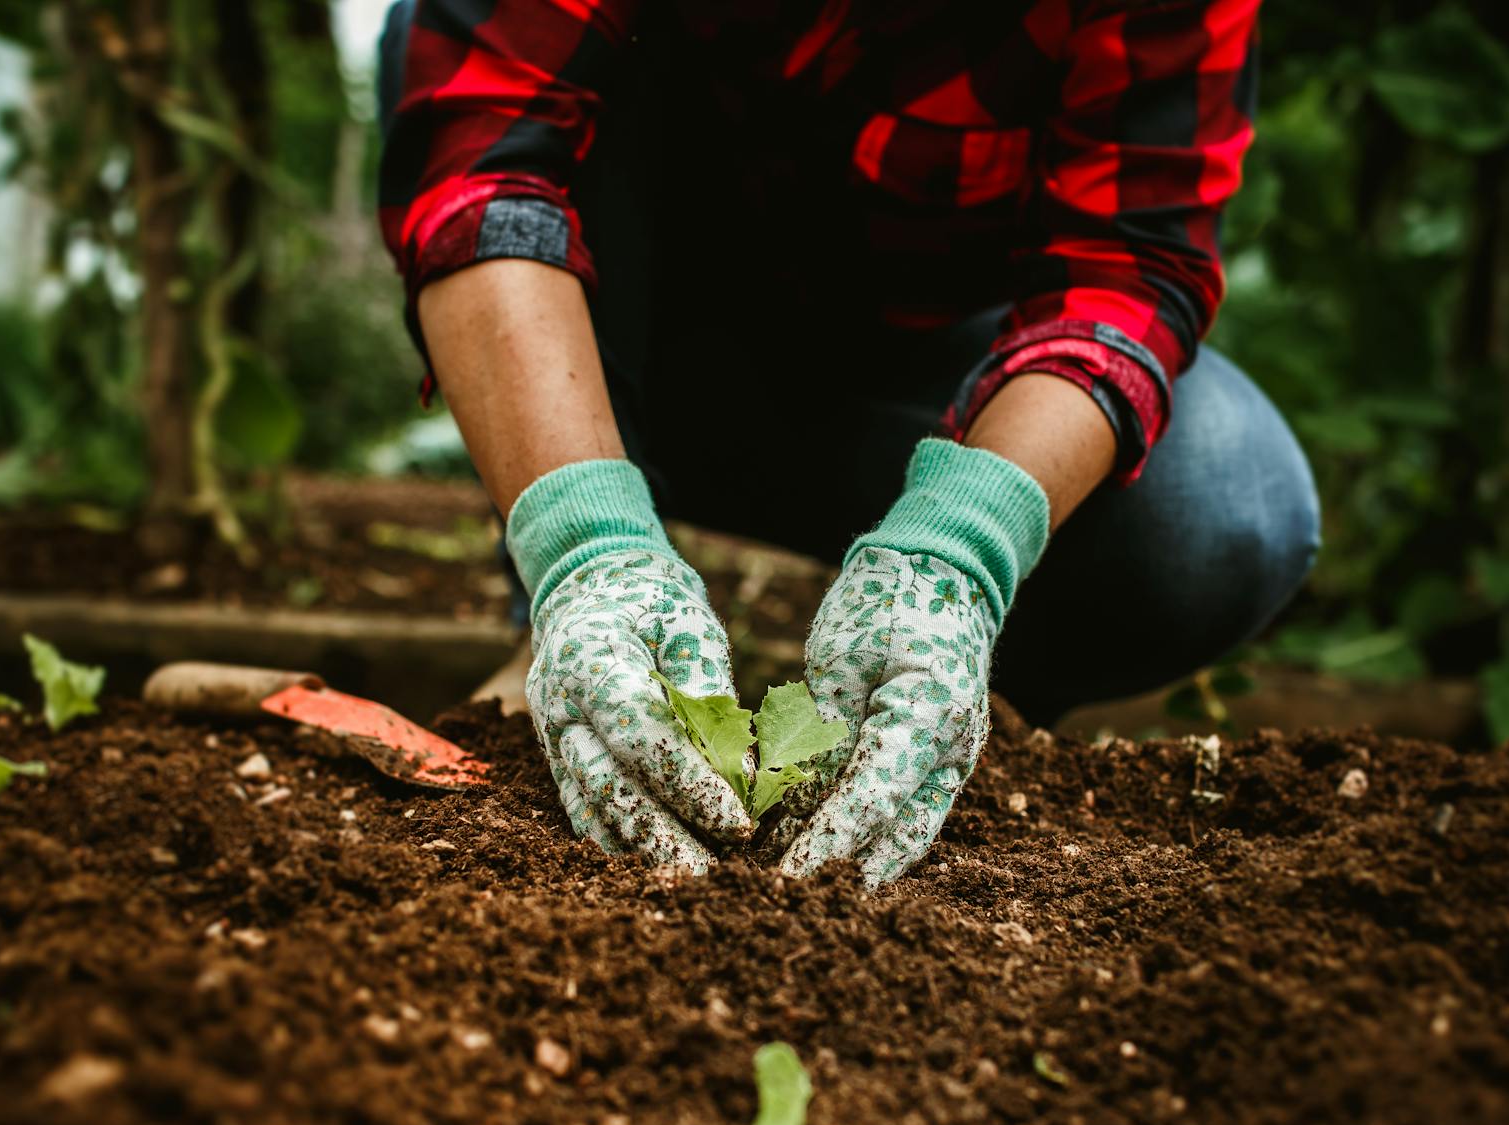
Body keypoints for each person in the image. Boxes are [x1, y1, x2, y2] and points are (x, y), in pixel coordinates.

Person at [376, 0, 1318, 886]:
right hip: (631, 351)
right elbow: (481, 155)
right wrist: (584, 549)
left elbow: (1128, 268)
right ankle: (564, 623)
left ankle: (935, 702)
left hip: (925, 381)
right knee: (439, 38)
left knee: (1223, 503)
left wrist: (958, 548)